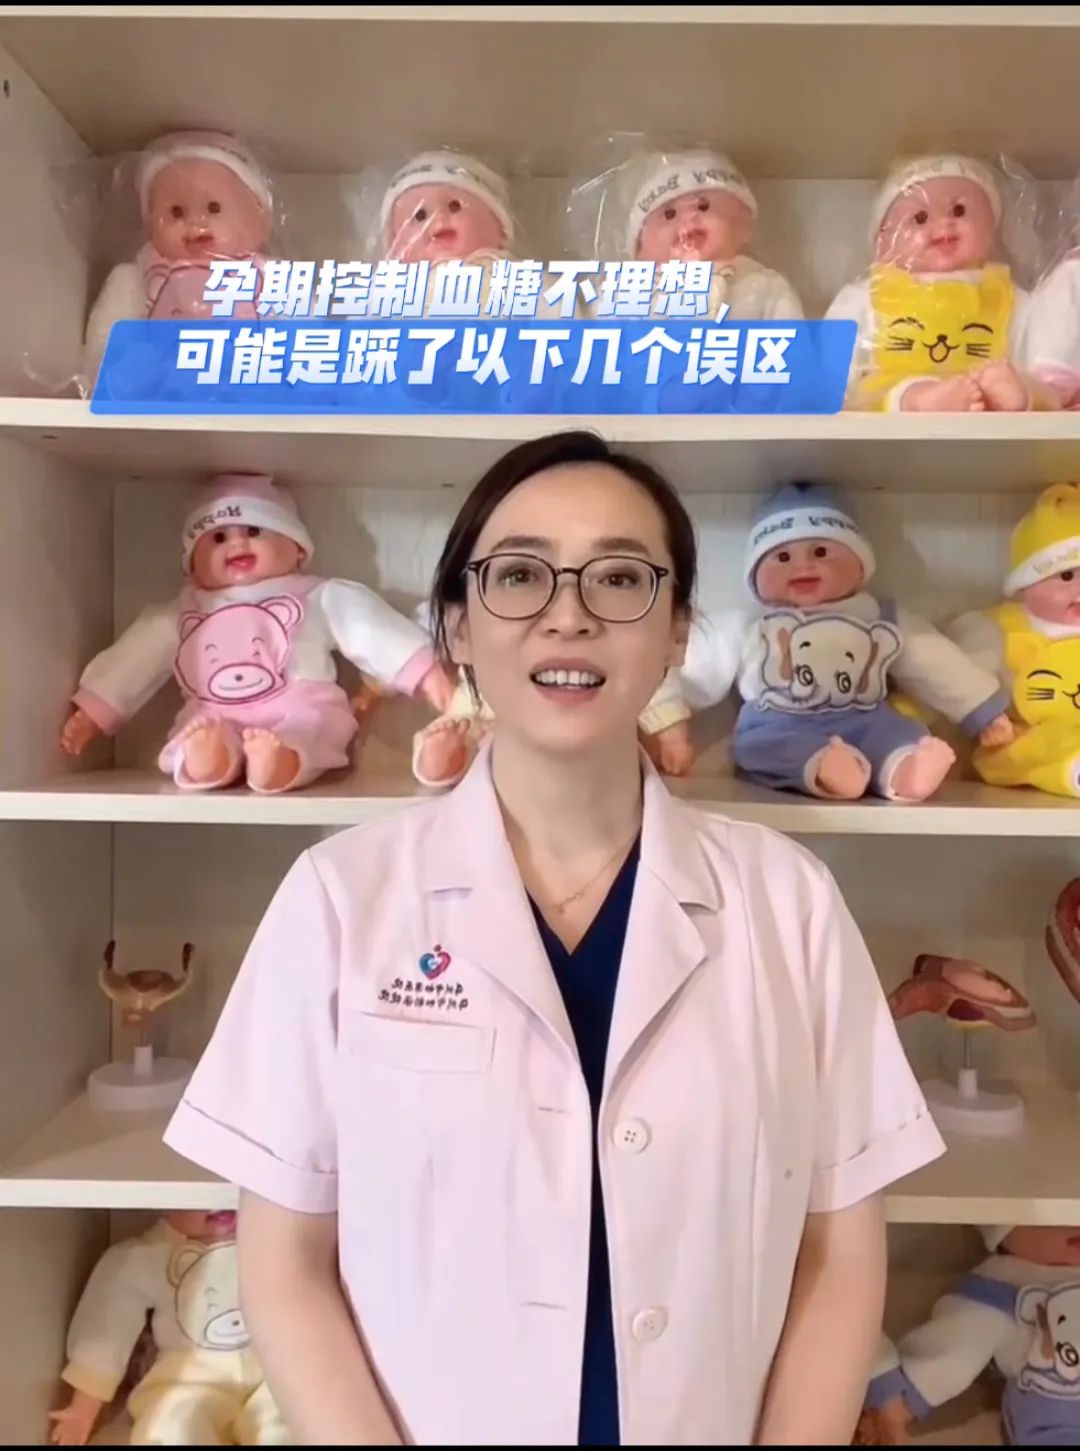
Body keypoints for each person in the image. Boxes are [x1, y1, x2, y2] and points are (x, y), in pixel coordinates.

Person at [164, 430, 946, 1446]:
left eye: (619, 577)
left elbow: (840, 1250)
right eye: (520, 574)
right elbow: (285, 1264)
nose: (568, 613)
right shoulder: (340, 897)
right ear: (456, 625)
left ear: (678, 633)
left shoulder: (787, 901)